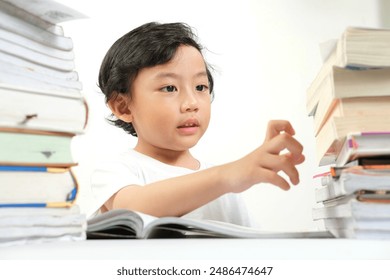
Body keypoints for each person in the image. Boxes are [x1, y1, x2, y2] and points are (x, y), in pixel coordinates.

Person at [90, 22, 305, 227]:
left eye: (200, 87)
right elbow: (132, 210)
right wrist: (229, 175)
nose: (191, 103)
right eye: (169, 88)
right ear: (123, 107)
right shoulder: (119, 170)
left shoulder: (227, 184)